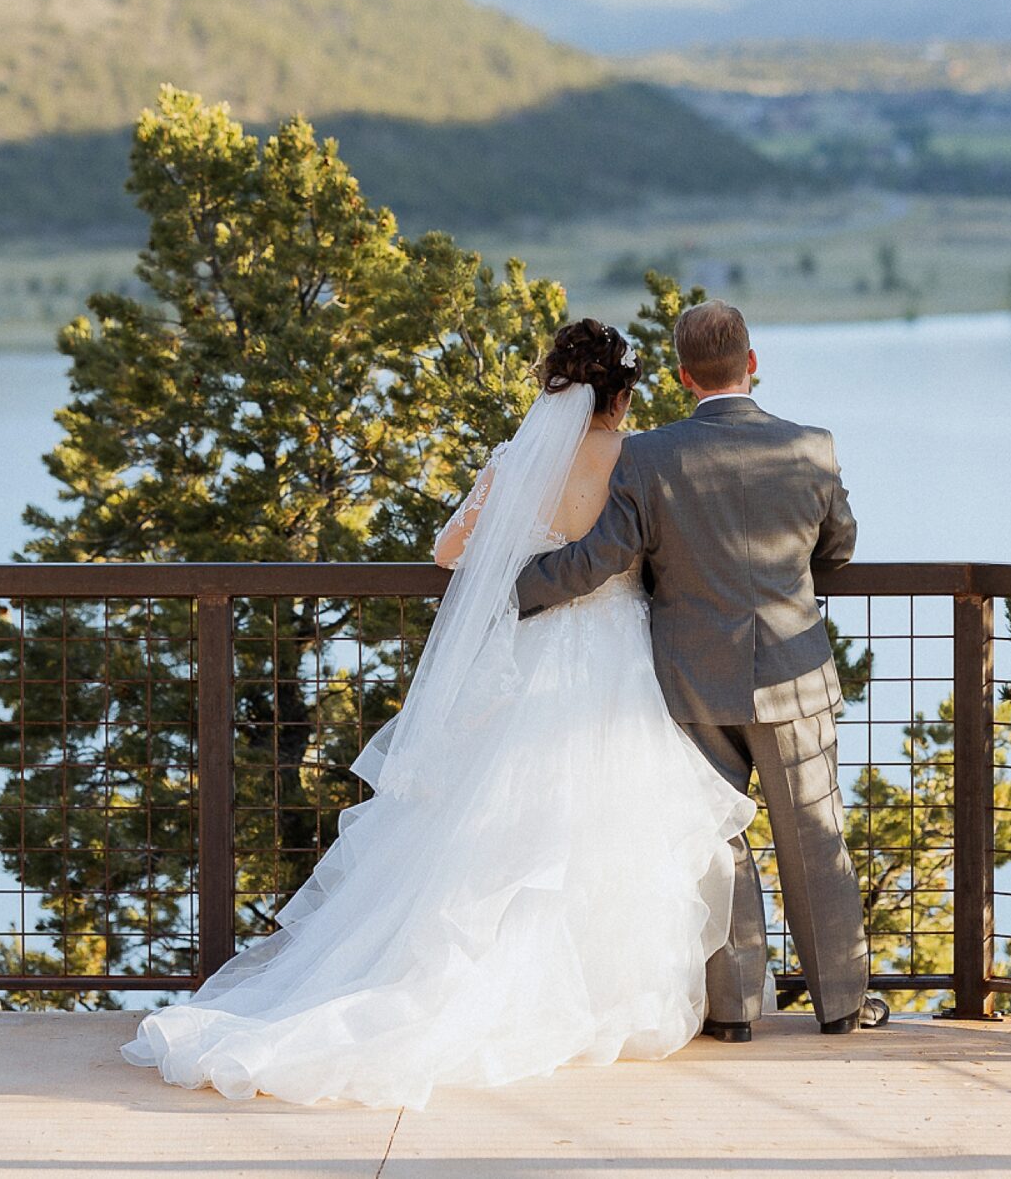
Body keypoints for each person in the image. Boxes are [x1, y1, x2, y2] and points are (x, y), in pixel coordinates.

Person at [122, 319, 757, 1109]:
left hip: (527, 653)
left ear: (554, 387)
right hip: (616, 654)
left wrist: (520, 547)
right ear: (622, 393)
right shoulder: (634, 457)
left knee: (493, 824)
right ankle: (598, 996)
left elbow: (449, 551)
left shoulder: (518, 460)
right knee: (602, 825)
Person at [517, 300, 884, 1040]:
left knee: (717, 840)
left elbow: (602, 560)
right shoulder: (812, 447)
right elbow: (837, 548)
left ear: (684, 377)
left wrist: (511, 589)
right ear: (752, 363)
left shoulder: (649, 456)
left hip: (690, 677)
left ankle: (734, 1011)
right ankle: (841, 1005)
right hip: (795, 675)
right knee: (815, 836)